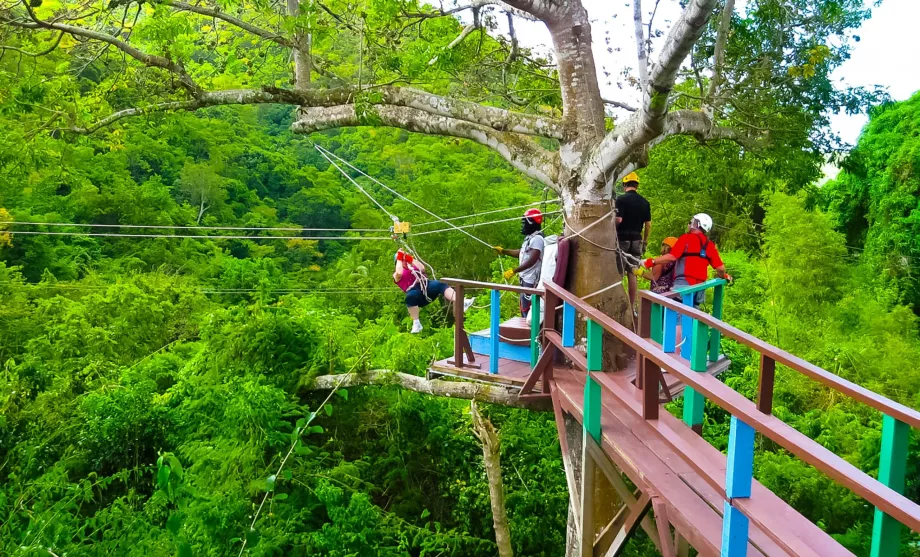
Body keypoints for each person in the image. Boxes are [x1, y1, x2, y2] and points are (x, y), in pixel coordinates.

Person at [642, 213, 732, 306]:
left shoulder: (685, 238)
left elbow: (672, 256)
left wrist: (651, 262)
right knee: (693, 315)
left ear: (696, 224)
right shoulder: (709, 244)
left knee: (677, 314)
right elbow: (720, 268)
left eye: (691, 222)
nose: (689, 224)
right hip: (700, 289)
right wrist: (722, 275)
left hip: (682, 286)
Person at [393, 250, 472, 333]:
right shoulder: (396, 274)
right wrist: (399, 257)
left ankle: (461, 301)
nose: (405, 262)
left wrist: (409, 258)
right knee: (410, 297)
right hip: (416, 295)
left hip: (426, 287)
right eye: (403, 261)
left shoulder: (414, 267)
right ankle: (416, 323)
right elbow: (399, 273)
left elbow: (422, 268)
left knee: (440, 284)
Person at [493, 208, 545, 317]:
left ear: (531, 223)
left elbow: (532, 260)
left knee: (528, 310)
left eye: (524, 222)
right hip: (525, 279)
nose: (523, 225)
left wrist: (514, 271)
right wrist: (504, 251)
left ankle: (530, 333)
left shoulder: (537, 239)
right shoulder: (530, 238)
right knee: (524, 308)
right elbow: (521, 253)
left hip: (531, 281)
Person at [615, 172, 652, 308]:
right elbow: (648, 225)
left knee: (618, 273)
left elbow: (619, 220)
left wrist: (611, 230)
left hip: (622, 239)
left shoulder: (621, 200)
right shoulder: (645, 203)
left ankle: (617, 304)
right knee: (633, 273)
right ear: (637, 185)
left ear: (625, 184)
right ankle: (631, 305)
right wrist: (645, 241)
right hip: (637, 240)